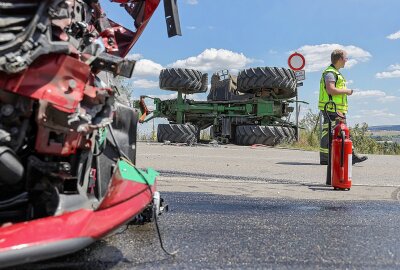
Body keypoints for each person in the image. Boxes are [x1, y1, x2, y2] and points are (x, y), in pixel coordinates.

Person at [318, 49, 368, 165]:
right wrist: (347, 91)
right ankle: (326, 158)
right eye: (346, 58)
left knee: (342, 132)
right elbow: (331, 90)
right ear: (340, 59)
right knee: (330, 132)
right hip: (332, 109)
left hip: (336, 109)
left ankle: (349, 155)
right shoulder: (330, 73)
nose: (346, 60)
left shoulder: (335, 72)